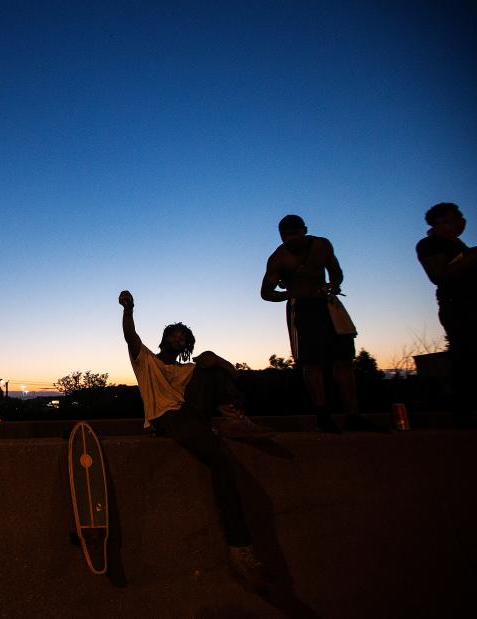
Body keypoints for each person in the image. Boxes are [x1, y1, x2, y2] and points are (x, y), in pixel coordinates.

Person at [118, 290, 273, 592]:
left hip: (192, 416)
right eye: (173, 336)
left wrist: (217, 359)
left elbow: (232, 375)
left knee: (207, 363)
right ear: (163, 339)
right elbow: (130, 337)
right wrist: (128, 309)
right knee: (222, 461)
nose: (178, 341)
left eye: (182, 339)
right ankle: (240, 549)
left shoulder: (189, 369)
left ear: (186, 346)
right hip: (168, 418)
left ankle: (231, 417)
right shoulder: (147, 361)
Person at [260, 215, 381, 433]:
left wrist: (334, 285)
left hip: (328, 305)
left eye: (294, 233)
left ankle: (352, 416)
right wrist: (291, 293)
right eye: (285, 235)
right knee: (311, 363)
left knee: (344, 360)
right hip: (302, 310)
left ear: (304, 230)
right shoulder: (278, 258)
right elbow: (266, 293)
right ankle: (322, 417)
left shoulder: (322, 246)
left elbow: (336, 270)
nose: (290, 239)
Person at [416, 202, 477, 428]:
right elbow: (439, 274)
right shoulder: (429, 245)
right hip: (459, 307)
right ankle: (463, 413)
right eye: (456, 216)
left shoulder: (460, 246)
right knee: (466, 356)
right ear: (441, 223)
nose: (462, 220)